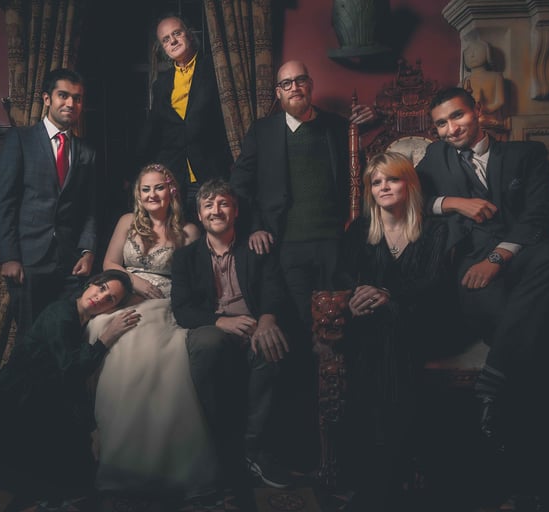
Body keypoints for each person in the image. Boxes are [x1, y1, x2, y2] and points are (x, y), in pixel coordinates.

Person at [416, 86, 549, 505]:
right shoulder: (435, 158)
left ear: (478, 111)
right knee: (532, 341)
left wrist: (499, 257)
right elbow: (409, 198)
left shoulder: (526, 154)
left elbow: (542, 213)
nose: (451, 129)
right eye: (442, 123)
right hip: (468, 267)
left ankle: (494, 378)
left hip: (518, 255)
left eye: (457, 117)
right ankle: (533, 476)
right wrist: (454, 203)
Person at [228, 59, 377, 470]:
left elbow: (360, 172)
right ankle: (300, 448)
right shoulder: (262, 132)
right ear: (278, 92)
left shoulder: (335, 126)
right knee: (296, 342)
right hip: (286, 248)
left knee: (339, 339)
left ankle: (343, 449)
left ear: (310, 85)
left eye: (300, 80)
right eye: (286, 83)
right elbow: (240, 184)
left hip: (335, 245)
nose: (294, 87)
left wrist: (372, 119)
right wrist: (255, 226)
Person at [85, 163, 217, 499]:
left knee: (151, 345)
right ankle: (114, 447)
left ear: (171, 190)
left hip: (164, 301)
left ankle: (156, 462)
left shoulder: (188, 231)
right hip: (123, 294)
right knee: (106, 328)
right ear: (138, 195)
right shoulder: (126, 223)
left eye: (158, 187)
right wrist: (135, 280)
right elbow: (109, 263)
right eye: (145, 189)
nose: (151, 195)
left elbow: (194, 279)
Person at [333, 152, 452, 511]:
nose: (384, 187)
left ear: (408, 184)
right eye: (377, 182)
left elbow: (434, 285)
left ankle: (376, 481)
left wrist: (389, 296)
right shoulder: (359, 229)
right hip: (372, 322)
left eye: (393, 179)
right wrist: (355, 297)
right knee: (375, 333)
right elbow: (342, 275)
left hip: (422, 321)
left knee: (387, 330)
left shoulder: (434, 230)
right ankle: (394, 471)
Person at [0, 270, 138, 499]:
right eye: (101, 288)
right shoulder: (62, 313)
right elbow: (70, 369)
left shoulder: (81, 321)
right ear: (90, 284)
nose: (101, 297)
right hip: (16, 397)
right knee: (58, 477)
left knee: (79, 466)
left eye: (111, 299)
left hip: (42, 393)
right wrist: (106, 338)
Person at [171, 178, 292, 489]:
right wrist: (219, 321)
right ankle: (220, 448)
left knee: (271, 345)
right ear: (199, 215)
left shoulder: (255, 246)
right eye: (208, 205)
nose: (216, 210)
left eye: (223, 203)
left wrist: (266, 320)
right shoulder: (185, 257)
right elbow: (182, 309)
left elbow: (273, 289)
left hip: (253, 323)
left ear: (236, 210)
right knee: (207, 345)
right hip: (212, 326)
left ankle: (254, 449)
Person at [0, 68, 99, 341]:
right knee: (31, 339)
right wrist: (9, 256)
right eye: (63, 96)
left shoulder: (86, 151)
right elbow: (4, 201)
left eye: (77, 98)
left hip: (69, 263)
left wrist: (87, 250)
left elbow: (88, 208)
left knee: (66, 337)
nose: (70, 104)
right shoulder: (21, 139)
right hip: (28, 261)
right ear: (47, 99)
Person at [136, 14, 233, 220]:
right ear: (163, 47)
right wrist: (134, 171)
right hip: (174, 178)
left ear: (188, 35)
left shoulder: (215, 69)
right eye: (165, 39)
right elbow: (153, 131)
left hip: (211, 172)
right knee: (181, 238)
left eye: (176, 33)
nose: (172, 41)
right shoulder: (161, 83)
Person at [461, 38, 505, 128]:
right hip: (472, 117)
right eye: (468, 53)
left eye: (477, 51)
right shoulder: (465, 80)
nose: (472, 56)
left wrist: (483, 109)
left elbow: (500, 101)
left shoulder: (496, 77)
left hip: (488, 116)